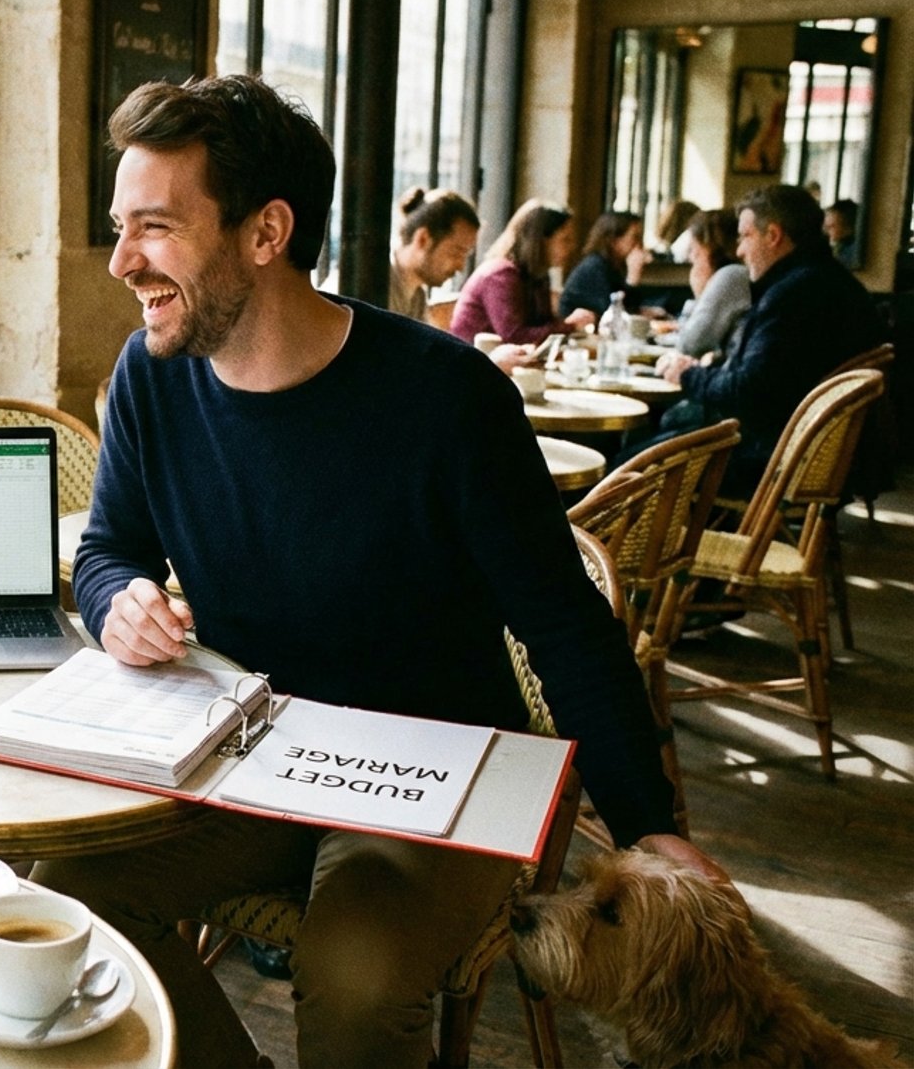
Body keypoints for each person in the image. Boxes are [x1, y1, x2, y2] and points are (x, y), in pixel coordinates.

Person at [38, 74, 718, 1069]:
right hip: (246, 746)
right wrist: (116, 600)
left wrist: (648, 824)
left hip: (429, 760)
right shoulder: (150, 371)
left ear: (264, 232)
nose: (120, 261)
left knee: (352, 976)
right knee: (58, 897)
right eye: (117, 226)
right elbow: (108, 549)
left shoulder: (446, 398)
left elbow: (563, 627)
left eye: (152, 226)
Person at [648, 184, 883, 496]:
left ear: (773, 235)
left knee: (631, 470)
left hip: (774, 460)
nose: (740, 250)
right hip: (815, 455)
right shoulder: (830, 282)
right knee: (653, 444)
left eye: (745, 236)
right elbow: (771, 378)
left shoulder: (793, 297)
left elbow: (750, 391)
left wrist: (689, 375)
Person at [451, 199, 595, 364]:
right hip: (472, 367)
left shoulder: (538, 276)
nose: (572, 247)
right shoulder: (501, 275)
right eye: (565, 239)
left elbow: (543, 325)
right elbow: (514, 336)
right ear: (539, 241)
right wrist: (569, 325)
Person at [387, 187, 479, 322]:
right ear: (423, 239)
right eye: (457, 252)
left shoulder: (418, 297)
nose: (461, 266)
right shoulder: (377, 284)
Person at [673, 209, 751, 361]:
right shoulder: (739, 274)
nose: (691, 257)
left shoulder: (732, 276)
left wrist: (699, 297)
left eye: (695, 248)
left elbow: (689, 345)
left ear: (710, 246)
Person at [557, 210, 647, 320]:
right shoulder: (594, 267)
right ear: (614, 241)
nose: (640, 244)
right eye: (635, 237)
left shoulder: (613, 266)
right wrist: (633, 278)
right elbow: (615, 314)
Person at [825, 198, 860, 269]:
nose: (827, 230)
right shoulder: (840, 247)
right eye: (827, 226)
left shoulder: (853, 253)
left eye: (832, 226)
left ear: (848, 228)